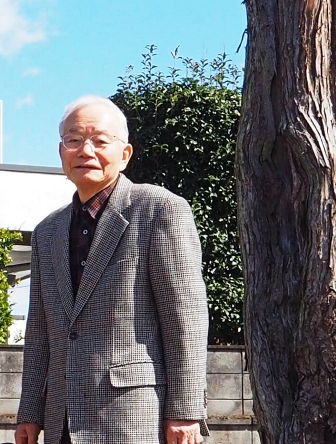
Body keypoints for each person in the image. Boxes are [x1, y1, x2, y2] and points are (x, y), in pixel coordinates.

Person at [15, 95, 209, 444]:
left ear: (125, 154)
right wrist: (29, 412)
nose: (85, 150)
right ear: (62, 153)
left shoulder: (158, 209)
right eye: (74, 140)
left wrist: (185, 410)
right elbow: (40, 328)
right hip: (61, 420)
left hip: (134, 415)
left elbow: (185, 318)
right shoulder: (47, 231)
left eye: (100, 141)